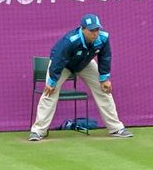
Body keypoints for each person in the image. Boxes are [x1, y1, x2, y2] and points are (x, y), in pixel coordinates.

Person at [29, 13, 133, 141]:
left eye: (97, 29)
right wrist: (52, 81)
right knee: (49, 92)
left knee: (104, 90)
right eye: (91, 30)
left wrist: (104, 79)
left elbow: (105, 58)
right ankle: (38, 131)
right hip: (64, 66)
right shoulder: (70, 41)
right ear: (83, 29)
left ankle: (116, 128)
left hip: (85, 64)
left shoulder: (103, 38)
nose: (95, 33)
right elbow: (57, 60)